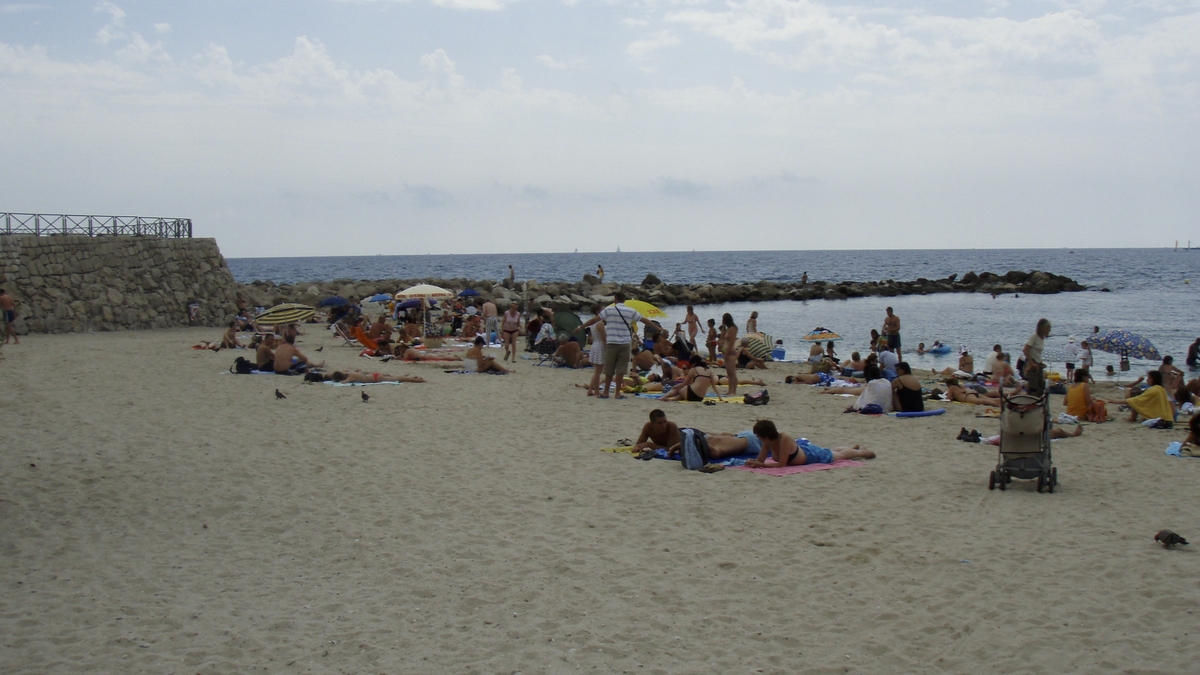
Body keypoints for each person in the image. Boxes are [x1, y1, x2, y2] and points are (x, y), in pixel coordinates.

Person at [580, 291, 657, 399]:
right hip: (625, 342)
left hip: (611, 342)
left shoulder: (609, 310)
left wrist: (581, 327)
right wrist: (658, 328)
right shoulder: (630, 311)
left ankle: (606, 392)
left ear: (615, 299)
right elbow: (645, 320)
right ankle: (617, 393)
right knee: (621, 369)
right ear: (624, 300)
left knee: (609, 369)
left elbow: (594, 319)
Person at [743, 419, 875, 468]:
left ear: (765, 435)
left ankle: (863, 452)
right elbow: (760, 460)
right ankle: (851, 449)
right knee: (832, 452)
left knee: (837, 456)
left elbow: (781, 464)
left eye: (759, 436)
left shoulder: (784, 439)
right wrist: (754, 463)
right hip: (805, 452)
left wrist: (763, 466)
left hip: (810, 455)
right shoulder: (767, 442)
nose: (758, 438)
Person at [1023, 318, 1052, 396]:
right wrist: (1031, 362)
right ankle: (1029, 403)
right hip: (1033, 365)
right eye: (1048, 328)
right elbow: (1025, 350)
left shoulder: (1041, 338)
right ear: (1042, 328)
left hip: (1038, 364)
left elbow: (1037, 353)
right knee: (1033, 388)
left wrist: (1041, 363)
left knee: (1040, 387)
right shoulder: (1034, 336)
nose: (1049, 330)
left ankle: (1037, 404)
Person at [586, 304, 607, 396]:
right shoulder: (600, 323)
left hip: (596, 345)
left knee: (597, 371)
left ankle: (591, 389)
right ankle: (595, 390)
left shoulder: (593, 323)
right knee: (598, 371)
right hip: (600, 346)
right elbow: (604, 338)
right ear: (598, 312)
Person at [720, 313, 739, 396]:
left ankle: (733, 391)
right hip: (726, 351)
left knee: (732, 373)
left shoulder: (732, 329)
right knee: (728, 373)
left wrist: (727, 354)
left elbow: (731, 342)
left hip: (730, 352)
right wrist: (723, 329)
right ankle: (729, 390)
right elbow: (722, 338)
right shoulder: (727, 329)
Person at [326, 370, 426, 384]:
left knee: (399, 379)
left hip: (375, 378)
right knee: (396, 378)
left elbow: (344, 382)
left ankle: (417, 380)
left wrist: (336, 382)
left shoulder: (350, 377)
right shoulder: (350, 373)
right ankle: (414, 377)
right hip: (374, 375)